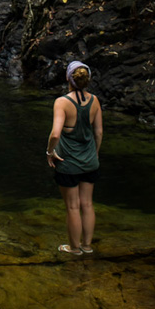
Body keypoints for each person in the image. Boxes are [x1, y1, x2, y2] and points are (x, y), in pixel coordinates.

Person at [46, 60, 103, 256]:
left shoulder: (62, 103)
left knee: (72, 206)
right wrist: (94, 154)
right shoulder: (95, 101)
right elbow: (99, 132)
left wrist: (49, 152)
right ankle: (87, 246)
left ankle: (74, 248)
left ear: (68, 79)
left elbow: (55, 134)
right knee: (87, 204)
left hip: (68, 163)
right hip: (90, 162)